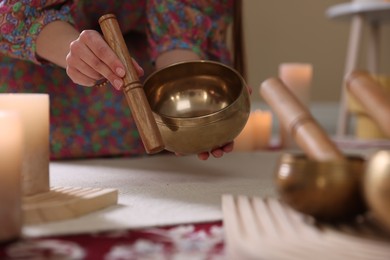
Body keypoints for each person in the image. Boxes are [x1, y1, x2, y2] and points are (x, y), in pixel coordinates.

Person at [0, 0, 244, 160]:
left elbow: (183, 15)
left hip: (139, 125)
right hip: (43, 109)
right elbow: (12, 11)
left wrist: (188, 89)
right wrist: (74, 51)